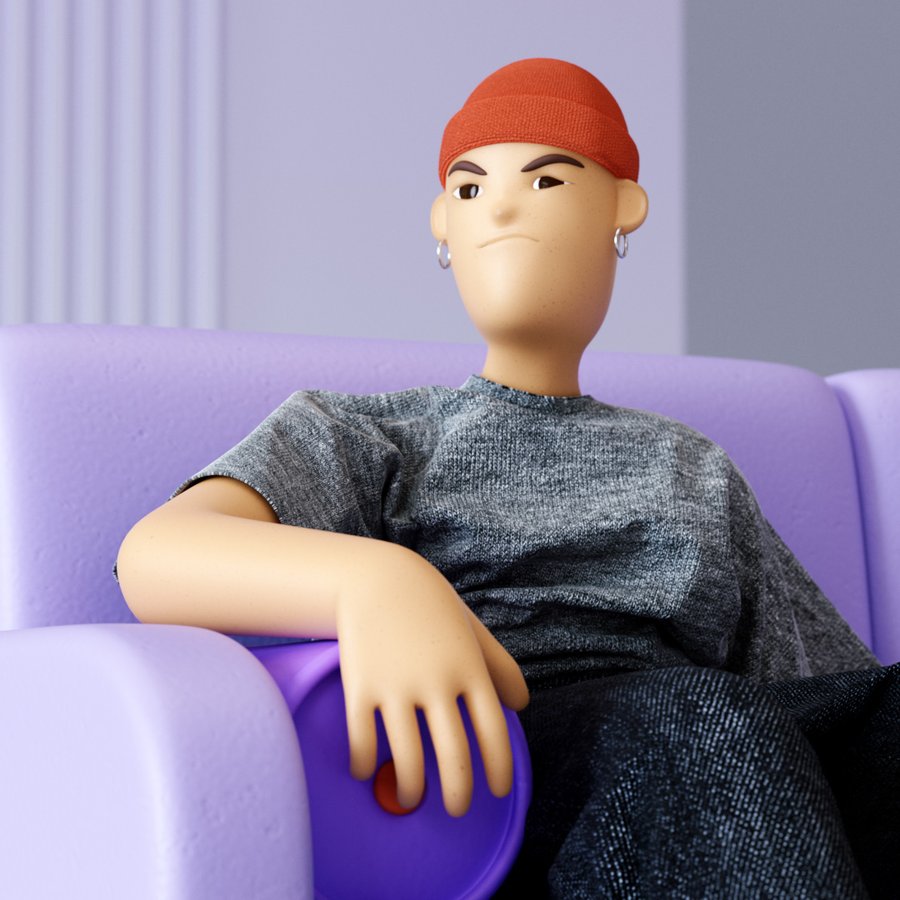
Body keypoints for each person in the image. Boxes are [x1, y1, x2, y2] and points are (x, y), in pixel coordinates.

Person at [116, 58, 898, 897]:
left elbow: (831, 693)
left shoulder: (693, 466)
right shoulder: (368, 433)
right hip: (504, 772)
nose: (503, 208)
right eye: (470, 188)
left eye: (547, 179)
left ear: (623, 208)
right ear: (442, 225)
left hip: (717, 762)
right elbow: (158, 555)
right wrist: (377, 582)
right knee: (698, 721)